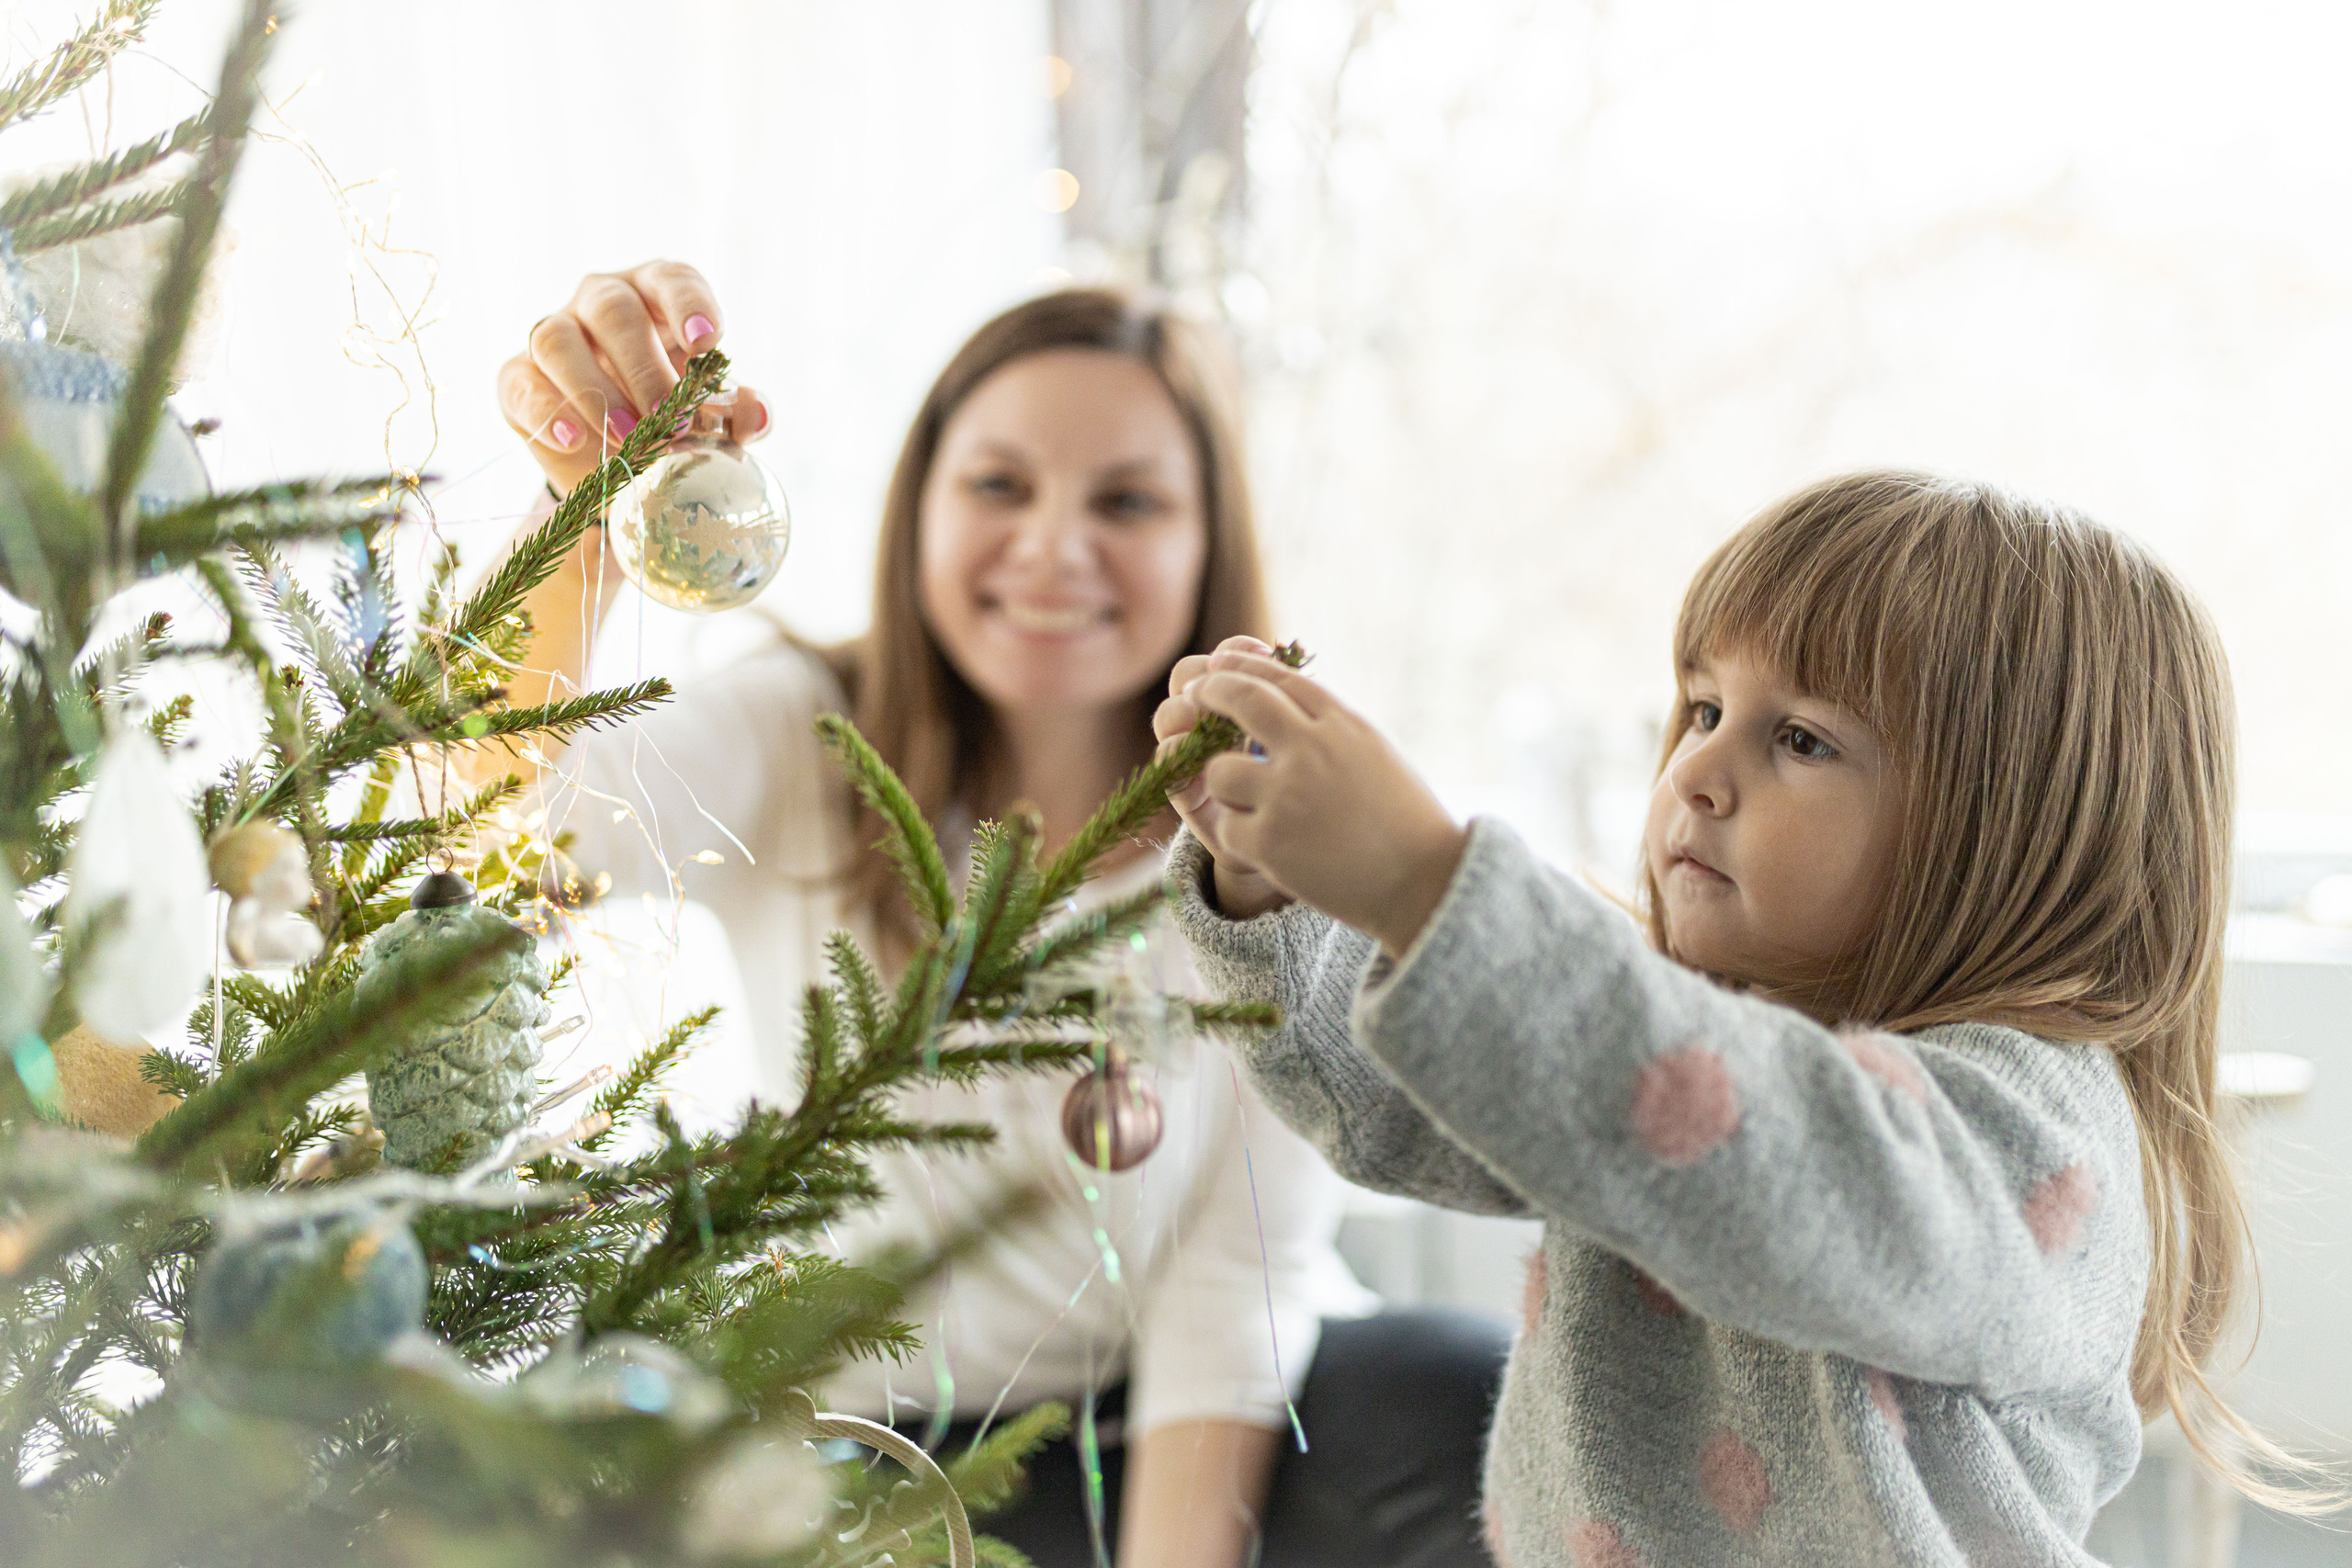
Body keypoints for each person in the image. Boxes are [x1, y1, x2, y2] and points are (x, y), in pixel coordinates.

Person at [490, 264, 1509, 1568]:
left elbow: (1229, 1291)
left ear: (1208, 543)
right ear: (922, 508)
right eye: (1000, 486)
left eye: (1128, 500)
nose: (1052, 548)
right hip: (849, 1441)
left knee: (1455, 1399)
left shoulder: (1274, 821)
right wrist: (583, 515)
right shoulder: (802, 730)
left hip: (1149, 1419)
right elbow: (532, 824)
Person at [1154, 470, 2324, 1563]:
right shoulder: (1672, 1050)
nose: (1698, 773)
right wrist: (1272, 892)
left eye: (1800, 739)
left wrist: (1423, 878)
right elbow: (1394, 1107)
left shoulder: (2031, 1127)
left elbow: (1782, 1164)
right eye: (1703, 707)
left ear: (2015, 830)